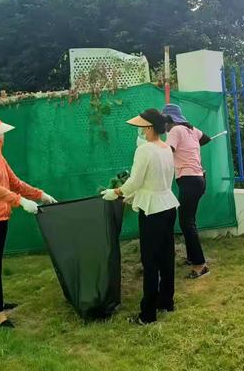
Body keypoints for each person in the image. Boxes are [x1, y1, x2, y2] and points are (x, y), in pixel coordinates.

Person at [0, 116, 57, 328]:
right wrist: (22, 202)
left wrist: (40, 194)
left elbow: (15, 183)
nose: (3, 136)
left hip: (0, 217)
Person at [101, 109, 179, 325]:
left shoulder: (145, 150)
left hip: (152, 211)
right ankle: (166, 301)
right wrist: (131, 195)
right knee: (166, 256)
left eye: (143, 127)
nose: (141, 130)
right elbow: (155, 181)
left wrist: (115, 192)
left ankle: (147, 314)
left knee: (150, 261)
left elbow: (135, 181)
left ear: (150, 128)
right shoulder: (166, 149)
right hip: (168, 206)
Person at [162, 103, 211, 279]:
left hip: (189, 180)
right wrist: (191, 147)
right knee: (189, 220)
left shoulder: (175, 131)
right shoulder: (192, 130)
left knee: (186, 222)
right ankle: (192, 257)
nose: (164, 126)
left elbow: (168, 152)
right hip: (199, 179)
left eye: (164, 121)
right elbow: (207, 139)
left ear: (169, 120)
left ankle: (200, 265)